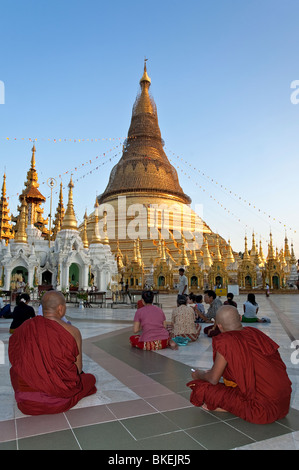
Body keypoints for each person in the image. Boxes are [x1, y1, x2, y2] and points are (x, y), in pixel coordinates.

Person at [187, 305, 292, 424]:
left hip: (260, 410)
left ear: (219, 326)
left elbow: (212, 379)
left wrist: (199, 374)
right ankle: (232, 404)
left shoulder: (226, 340)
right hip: (284, 404)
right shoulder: (255, 332)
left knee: (201, 388)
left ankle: (230, 407)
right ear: (240, 318)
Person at [8, 290, 97, 415]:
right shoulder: (72, 331)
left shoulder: (25, 327)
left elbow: (16, 360)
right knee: (90, 380)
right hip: (58, 399)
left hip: (26, 401)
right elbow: (78, 368)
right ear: (60, 309)